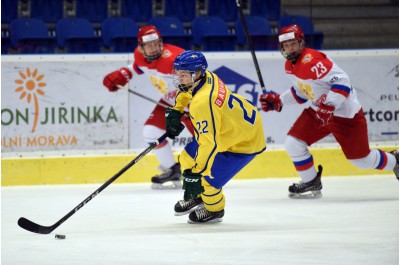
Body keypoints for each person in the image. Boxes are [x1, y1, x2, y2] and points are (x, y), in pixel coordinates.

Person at [259, 24, 399, 199]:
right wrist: (280, 100)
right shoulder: (290, 66)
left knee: (361, 161)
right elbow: (304, 91)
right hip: (318, 111)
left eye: (293, 44)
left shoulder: (312, 60)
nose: (289, 48)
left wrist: (330, 104)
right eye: (286, 46)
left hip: (345, 115)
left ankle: (395, 160)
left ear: (301, 42)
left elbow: (343, 82)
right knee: (293, 143)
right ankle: (311, 181)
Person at [165, 50, 266, 223]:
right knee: (186, 158)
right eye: (178, 74)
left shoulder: (202, 103)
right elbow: (186, 91)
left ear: (197, 73)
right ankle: (197, 196)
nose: (179, 79)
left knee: (206, 179)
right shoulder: (207, 76)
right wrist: (177, 110)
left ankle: (214, 210)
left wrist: (197, 173)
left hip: (244, 141)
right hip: (231, 128)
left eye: (183, 75)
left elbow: (208, 144)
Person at [102, 25, 194, 190]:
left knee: (206, 139)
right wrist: (124, 74)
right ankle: (173, 170)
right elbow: (138, 67)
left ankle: (209, 171)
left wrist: (189, 109)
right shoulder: (139, 55)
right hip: (172, 99)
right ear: (140, 46)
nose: (153, 48)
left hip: (192, 100)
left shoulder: (172, 60)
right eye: (148, 45)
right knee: (152, 132)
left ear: (161, 43)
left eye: (156, 43)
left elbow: (194, 81)